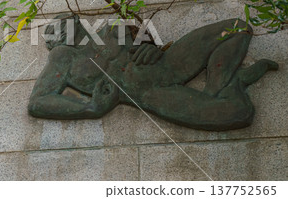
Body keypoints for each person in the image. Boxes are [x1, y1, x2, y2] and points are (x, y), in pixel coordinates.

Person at [28, 14, 278, 131]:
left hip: (168, 63)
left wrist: (151, 49)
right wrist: (91, 108)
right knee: (239, 112)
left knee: (236, 27)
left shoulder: (113, 29)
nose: (64, 25)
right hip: (148, 93)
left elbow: (146, 39)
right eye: (57, 29)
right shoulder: (64, 57)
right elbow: (38, 102)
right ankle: (233, 86)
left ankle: (219, 85)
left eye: (67, 21)